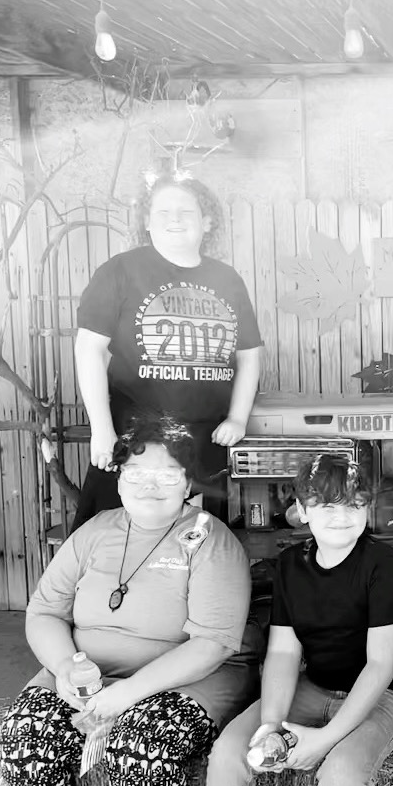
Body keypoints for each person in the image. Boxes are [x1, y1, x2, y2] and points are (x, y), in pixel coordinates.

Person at [0, 418, 262, 786]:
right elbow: (44, 610)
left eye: (168, 474)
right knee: (26, 734)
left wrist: (127, 694)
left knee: (141, 743)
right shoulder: (97, 529)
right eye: (136, 473)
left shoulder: (209, 539)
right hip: (88, 671)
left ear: (189, 482)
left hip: (186, 676)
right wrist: (64, 667)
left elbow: (213, 643)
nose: (150, 486)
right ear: (120, 477)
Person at [192, 453, 393, 786]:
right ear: (302, 510)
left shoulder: (383, 565)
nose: (342, 516)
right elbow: (284, 653)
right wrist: (271, 724)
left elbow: (380, 665)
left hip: (381, 693)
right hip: (316, 683)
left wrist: (323, 738)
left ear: (368, 510)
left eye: (355, 505)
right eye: (328, 505)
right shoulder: (292, 565)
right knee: (233, 749)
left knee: (341, 775)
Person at [72, 170, 263, 530]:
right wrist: (101, 428)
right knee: (113, 538)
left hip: (207, 442)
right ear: (147, 221)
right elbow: (89, 350)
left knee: (198, 543)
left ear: (206, 222)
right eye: (163, 212)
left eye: (186, 212)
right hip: (134, 439)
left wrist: (237, 418)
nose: (175, 220)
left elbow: (250, 354)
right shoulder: (120, 271)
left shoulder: (227, 279)